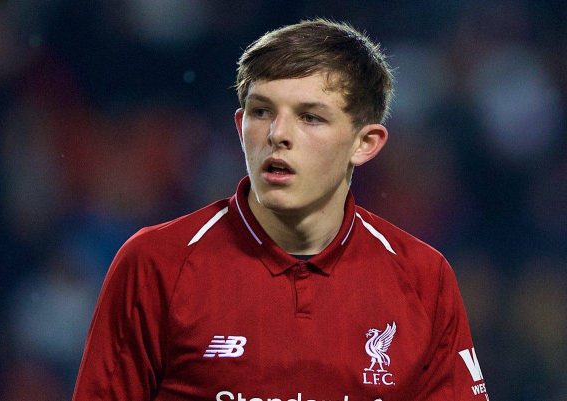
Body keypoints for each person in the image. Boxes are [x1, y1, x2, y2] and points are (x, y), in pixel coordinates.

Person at [72, 19, 489, 401]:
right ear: (239, 127)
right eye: (261, 112)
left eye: (310, 117)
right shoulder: (155, 264)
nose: (277, 134)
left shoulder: (422, 278)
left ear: (365, 143)